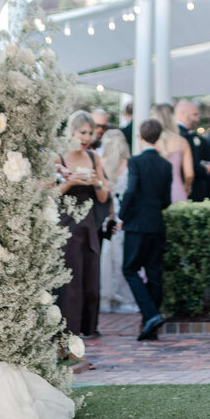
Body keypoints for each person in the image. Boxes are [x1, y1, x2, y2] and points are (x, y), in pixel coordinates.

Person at [55, 110, 110, 340]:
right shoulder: (60, 157)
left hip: (88, 224)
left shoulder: (94, 158)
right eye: (82, 132)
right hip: (66, 223)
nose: (87, 137)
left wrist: (97, 182)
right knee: (71, 278)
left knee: (90, 275)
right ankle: (68, 330)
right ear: (72, 132)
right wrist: (69, 183)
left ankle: (88, 326)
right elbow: (51, 193)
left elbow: (104, 197)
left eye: (90, 133)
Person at [119, 118, 173, 341]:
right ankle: (151, 324)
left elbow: (131, 190)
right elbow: (166, 200)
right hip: (156, 224)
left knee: (130, 269)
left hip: (137, 224)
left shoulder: (136, 162)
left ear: (140, 137)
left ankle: (150, 314)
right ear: (158, 137)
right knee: (154, 272)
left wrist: (123, 214)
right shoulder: (166, 165)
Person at [94, 109, 136, 315]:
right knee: (122, 257)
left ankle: (106, 298)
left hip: (107, 216)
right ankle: (122, 298)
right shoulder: (129, 165)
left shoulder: (101, 164)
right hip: (123, 217)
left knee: (107, 257)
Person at [152, 103, 193, 202]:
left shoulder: (150, 141)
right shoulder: (182, 142)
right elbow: (189, 174)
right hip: (176, 190)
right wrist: (187, 187)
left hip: (154, 191)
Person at [175, 98, 210, 202]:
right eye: (194, 115)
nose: (197, 119)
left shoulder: (189, 136)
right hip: (189, 189)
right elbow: (190, 165)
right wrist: (205, 169)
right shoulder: (183, 137)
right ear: (183, 114)